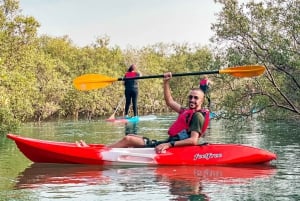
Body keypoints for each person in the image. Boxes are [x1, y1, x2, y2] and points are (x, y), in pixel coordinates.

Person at [107, 72, 209, 154]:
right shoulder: (186, 111)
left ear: (202, 101)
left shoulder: (198, 116)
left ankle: (103, 152)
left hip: (171, 147)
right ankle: (110, 149)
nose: (192, 100)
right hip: (168, 143)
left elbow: (193, 141)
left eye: (196, 98)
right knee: (132, 136)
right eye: (190, 97)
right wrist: (166, 82)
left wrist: (169, 145)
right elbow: (169, 101)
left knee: (128, 139)